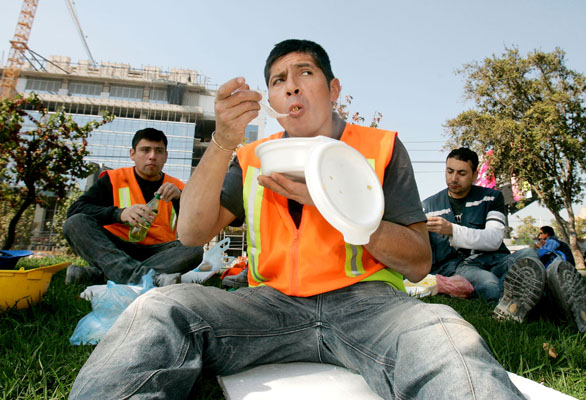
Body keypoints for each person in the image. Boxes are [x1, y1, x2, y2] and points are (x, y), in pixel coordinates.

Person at [69, 39, 524, 399]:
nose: (290, 85)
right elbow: (190, 231)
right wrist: (223, 140)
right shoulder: (249, 157)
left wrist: (341, 209)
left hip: (369, 306)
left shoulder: (380, 147)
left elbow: (418, 263)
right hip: (269, 304)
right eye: (277, 79)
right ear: (270, 99)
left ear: (333, 89)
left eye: (305, 73)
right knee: (160, 307)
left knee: (446, 334)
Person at [63, 127, 204, 286]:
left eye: (158, 151)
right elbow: (76, 210)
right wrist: (119, 214)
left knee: (194, 248)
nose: (152, 156)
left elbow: (197, 229)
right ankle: (142, 279)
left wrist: (180, 198)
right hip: (116, 249)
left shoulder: (178, 187)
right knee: (75, 223)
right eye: (145, 150)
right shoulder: (113, 179)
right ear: (132, 154)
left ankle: (104, 275)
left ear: (166, 156)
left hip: (159, 253)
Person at [422, 147, 538, 302]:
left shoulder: (492, 197)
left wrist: (451, 230)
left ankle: (524, 292)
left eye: (462, 173)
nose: (454, 178)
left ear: (475, 175)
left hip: (495, 259)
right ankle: (522, 295)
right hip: (460, 267)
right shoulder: (428, 206)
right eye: (450, 171)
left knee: (529, 255)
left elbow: (494, 239)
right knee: (489, 283)